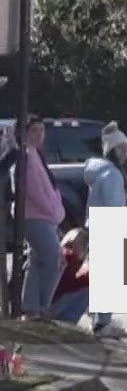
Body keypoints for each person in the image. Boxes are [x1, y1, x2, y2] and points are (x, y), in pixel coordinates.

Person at [1, 117, 69, 320]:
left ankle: (31, 308)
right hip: (35, 216)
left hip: (46, 216)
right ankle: (39, 307)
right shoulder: (25, 156)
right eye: (34, 131)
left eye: (42, 130)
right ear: (23, 133)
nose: (39, 134)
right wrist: (52, 210)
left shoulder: (36, 155)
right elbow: (32, 190)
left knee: (37, 260)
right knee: (55, 259)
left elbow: (49, 188)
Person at [79, 122, 127, 336]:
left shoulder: (97, 172)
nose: (126, 153)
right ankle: (103, 323)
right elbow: (115, 206)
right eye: (123, 148)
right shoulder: (112, 175)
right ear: (114, 150)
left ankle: (99, 319)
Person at [47, 227, 89, 326]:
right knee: (86, 291)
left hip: (45, 303)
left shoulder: (60, 254)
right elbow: (74, 282)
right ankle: (67, 323)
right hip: (52, 305)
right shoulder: (69, 257)